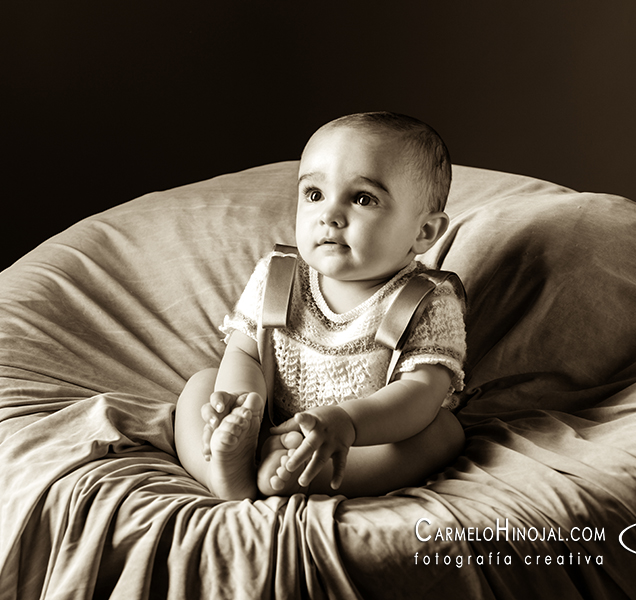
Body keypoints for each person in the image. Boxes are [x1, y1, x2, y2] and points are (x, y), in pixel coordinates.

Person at [173, 112, 467, 500]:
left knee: (441, 432)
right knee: (201, 385)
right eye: (314, 195)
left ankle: (302, 474)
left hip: (361, 439)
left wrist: (349, 423)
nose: (329, 215)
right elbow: (244, 352)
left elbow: (422, 392)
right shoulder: (278, 276)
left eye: (363, 199)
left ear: (424, 232)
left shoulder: (424, 299)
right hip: (268, 421)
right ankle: (225, 468)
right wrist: (242, 405)